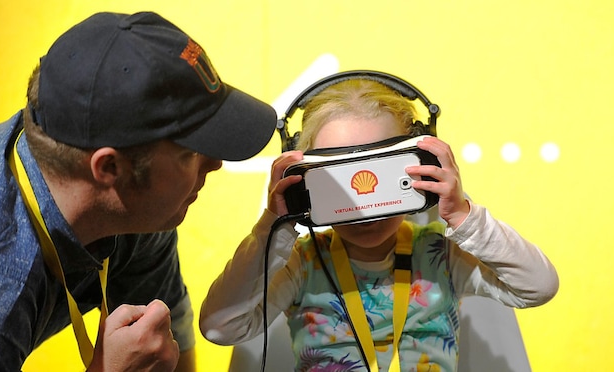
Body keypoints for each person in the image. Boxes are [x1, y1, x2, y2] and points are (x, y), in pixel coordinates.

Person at [0, 11, 277, 372]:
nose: (215, 164)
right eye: (190, 152)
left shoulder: (137, 212)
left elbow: (167, 348)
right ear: (110, 169)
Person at [199, 75, 559, 371]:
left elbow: (538, 286)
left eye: (380, 173)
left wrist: (463, 215)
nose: (362, 203)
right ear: (304, 181)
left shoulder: (441, 255)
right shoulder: (300, 265)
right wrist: (272, 227)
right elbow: (219, 327)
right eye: (340, 181)